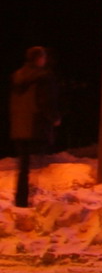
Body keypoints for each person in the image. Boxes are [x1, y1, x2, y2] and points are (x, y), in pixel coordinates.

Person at [10, 46, 58, 208]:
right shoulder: (43, 77)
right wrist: (54, 118)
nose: (44, 60)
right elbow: (45, 102)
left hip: (19, 126)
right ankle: (30, 199)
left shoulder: (17, 76)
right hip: (35, 126)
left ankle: (21, 199)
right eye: (43, 57)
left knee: (23, 167)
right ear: (38, 59)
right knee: (37, 163)